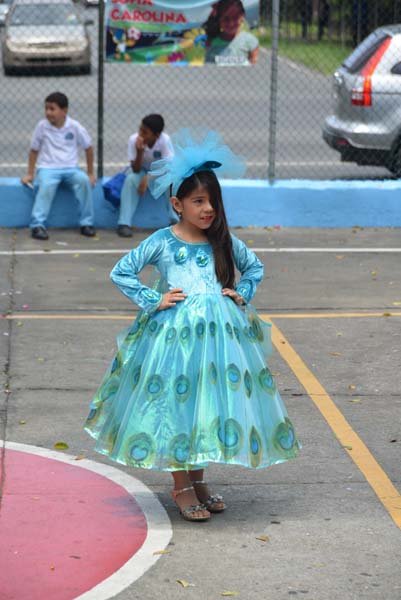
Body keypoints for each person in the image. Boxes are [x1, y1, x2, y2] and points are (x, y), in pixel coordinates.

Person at [84, 130, 300, 522]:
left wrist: (241, 292)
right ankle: (181, 484)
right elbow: (122, 272)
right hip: (174, 342)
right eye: (198, 201)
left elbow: (254, 267)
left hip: (219, 341)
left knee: (207, 405)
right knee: (177, 405)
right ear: (177, 204)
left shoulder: (222, 240)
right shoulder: (163, 241)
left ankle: (198, 480)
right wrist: (154, 299)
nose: (208, 209)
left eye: (212, 201)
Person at [21, 92, 96, 241]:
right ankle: (37, 225)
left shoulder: (75, 126)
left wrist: (90, 173)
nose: (48, 112)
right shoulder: (41, 126)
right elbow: (34, 150)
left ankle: (86, 223)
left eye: (52, 109)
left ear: (64, 111)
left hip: (71, 169)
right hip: (48, 169)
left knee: (83, 181)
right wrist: (30, 173)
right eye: (46, 108)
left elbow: (88, 148)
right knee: (45, 186)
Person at [117, 114, 178, 238]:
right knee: (130, 180)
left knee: (171, 181)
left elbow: (169, 166)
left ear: (157, 135)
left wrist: (149, 177)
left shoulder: (164, 140)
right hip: (141, 172)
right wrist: (139, 152)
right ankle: (124, 223)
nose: (141, 134)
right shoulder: (134, 140)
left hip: (160, 173)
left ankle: (175, 220)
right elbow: (135, 169)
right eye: (140, 130)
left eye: (145, 132)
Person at [204, 0, 259, 66]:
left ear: (242, 16)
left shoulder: (250, 41)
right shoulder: (211, 42)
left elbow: (254, 63)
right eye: (226, 18)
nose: (231, 23)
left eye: (235, 17)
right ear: (219, 19)